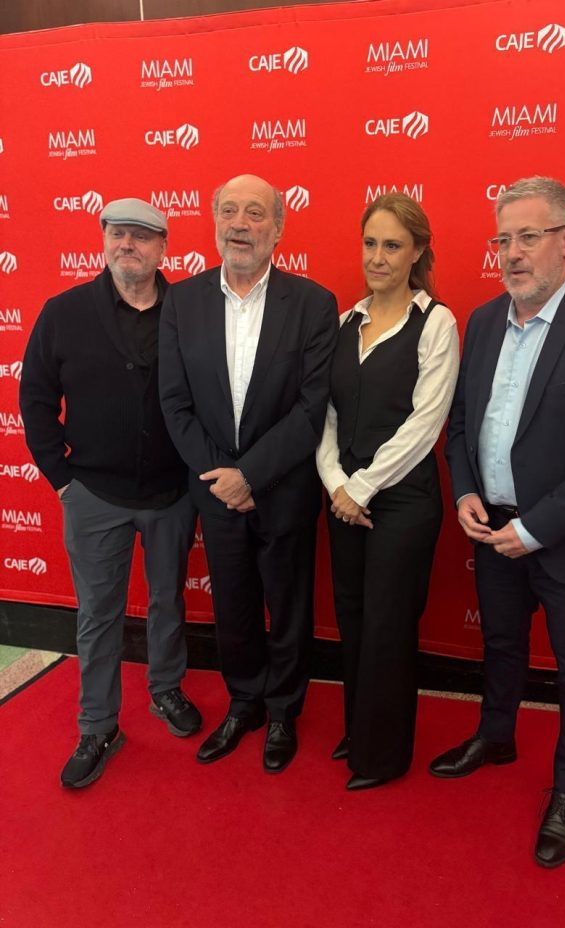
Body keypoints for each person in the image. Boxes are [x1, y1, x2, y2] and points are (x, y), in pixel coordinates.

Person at [429, 177, 565, 866]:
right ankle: (496, 736)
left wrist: (536, 529)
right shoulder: (483, 321)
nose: (513, 253)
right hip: (492, 526)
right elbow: (461, 423)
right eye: (504, 239)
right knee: (501, 645)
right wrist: (466, 491)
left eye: (529, 237)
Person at [159, 174, 338, 774]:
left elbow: (311, 407)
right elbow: (175, 403)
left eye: (255, 212)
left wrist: (251, 476)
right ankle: (244, 704)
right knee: (232, 606)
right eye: (229, 211)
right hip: (214, 490)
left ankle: (283, 709)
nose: (240, 223)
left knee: (288, 606)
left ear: (278, 228)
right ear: (214, 222)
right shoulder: (182, 302)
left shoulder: (313, 304)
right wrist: (223, 476)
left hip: (283, 490)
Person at [20, 198, 200, 789]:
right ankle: (98, 725)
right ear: (103, 239)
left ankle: (166, 689)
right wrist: (62, 479)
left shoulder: (190, 311)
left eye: (142, 237)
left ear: (163, 247)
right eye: (118, 233)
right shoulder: (64, 312)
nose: (128, 245)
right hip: (94, 493)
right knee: (98, 614)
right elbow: (35, 398)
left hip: (173, 493)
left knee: (169, 599)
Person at [316, 194, 459, 790]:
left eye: (393, 245)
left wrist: (363, 486)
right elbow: (325, 416)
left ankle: (384, 755)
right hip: (343, 497)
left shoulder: (437, 323)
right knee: (352, 618)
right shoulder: (344, 323)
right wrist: (336, 484)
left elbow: (426, 422)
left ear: (418, 252)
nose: (378, 257)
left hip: (401, 501)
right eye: (371, 243)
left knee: (388, 624)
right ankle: (359, 729)